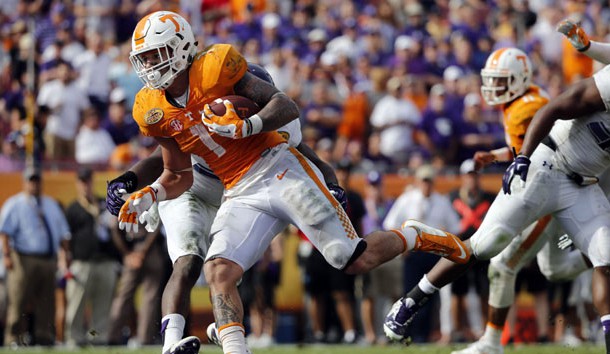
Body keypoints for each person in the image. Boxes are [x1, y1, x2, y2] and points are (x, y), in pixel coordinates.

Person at [116, 11, 469, 354]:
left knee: (352, 259)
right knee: (218, 270)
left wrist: (249, 125)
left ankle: (414, 235)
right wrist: (150, 192)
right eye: (143, 58)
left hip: (279, 169)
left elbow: (285, 106)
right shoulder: (151, 108)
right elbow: (178, 173)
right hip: (238, 189)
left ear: (181, 47)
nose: (149, 66)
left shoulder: (217, 67)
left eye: (155, 55)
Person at [106, 62, 349, 354]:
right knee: (189, 258)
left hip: (232, 194)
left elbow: (306, 154)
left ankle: (225, 328)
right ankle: (171, 342)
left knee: (229, 268)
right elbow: (162, 157)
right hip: (191, 190)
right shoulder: (212, 110)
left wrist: (331, 183)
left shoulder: (275, 118)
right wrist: (128, 179)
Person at [383, 43, 610, 354]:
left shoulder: (521, 105)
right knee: (486, 248)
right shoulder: (535, 104)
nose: (493, 88)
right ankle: (412, 298)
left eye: (499, 81)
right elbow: (552, 110)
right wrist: (522, 158)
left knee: (602, 259)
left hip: (584, 185)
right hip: (547, 167)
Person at [446, 47, 591, 354]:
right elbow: (529, 147)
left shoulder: (529, 106)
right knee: (554, 270)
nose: (492, 88)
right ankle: (598, 257)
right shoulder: (520, 101)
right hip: (543, 190)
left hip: (543, 195)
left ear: (518, 79)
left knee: (502, 263)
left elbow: (546, 151)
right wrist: (497, 156)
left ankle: (491, 343)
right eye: (492, 81)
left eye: (500, 81)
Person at [0, 166, 71, 346]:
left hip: (48, 258)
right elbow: (4, 232)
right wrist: (6, 255)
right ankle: (14, 337)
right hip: (23, 258)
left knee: (47, 301)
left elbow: (63, 233)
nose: (34, 184)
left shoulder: (50, 204)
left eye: (37, 180)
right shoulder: (14, 204)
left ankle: (44, 336)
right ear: (24, 183)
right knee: (18, 299)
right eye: (31, 180)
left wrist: (64, 254)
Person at [64, 167, 119, 346]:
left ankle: (97, 338)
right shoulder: (73, 208)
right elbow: (66, 238)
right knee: (76, 305)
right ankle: (74, 338)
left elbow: (115, 229)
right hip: (82, 262)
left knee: (103, 306)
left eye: (88, 180)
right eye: (82, 181)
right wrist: (65, 262)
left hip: (105, 261)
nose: (85, 185)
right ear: (77, 184)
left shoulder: (103, 203)